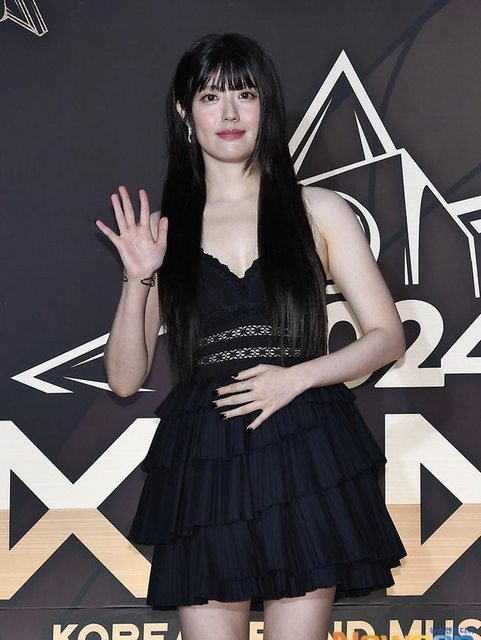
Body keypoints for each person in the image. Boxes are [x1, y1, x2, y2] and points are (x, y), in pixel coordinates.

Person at [96, 32, 406, 640]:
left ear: (266, 104)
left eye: (245, 93)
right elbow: (125, 379)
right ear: (185, 112)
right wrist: (138, 278)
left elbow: (387, 335)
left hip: (304, 447)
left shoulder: (318, 210)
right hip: (206, 460)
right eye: (211, 97)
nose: (231, 113)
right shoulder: (164, 232)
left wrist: (297, 378)